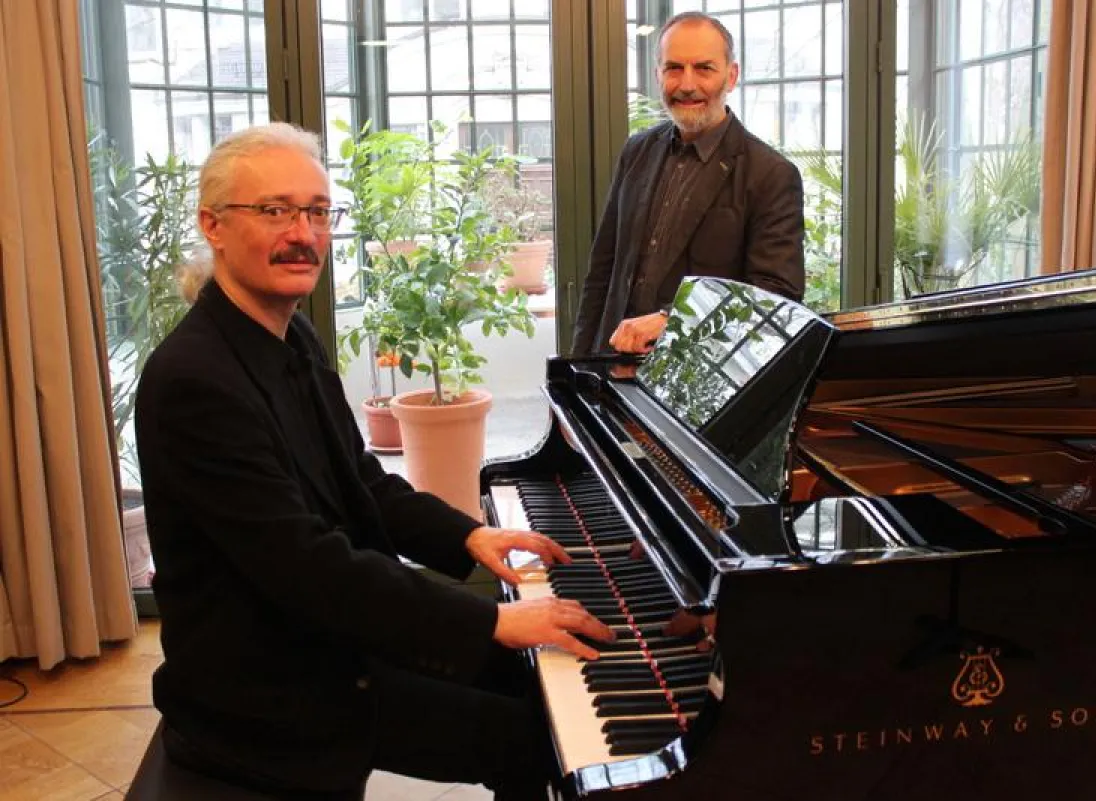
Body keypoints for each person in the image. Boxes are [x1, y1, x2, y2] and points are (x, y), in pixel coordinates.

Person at [134, 122, 613, 801]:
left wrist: (468, 535)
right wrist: (493, 620)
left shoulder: (289, 334)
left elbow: (358, 480)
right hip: (267, 685)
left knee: (543, 681)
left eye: (317, 212)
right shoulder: (194, 381)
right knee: (536, 735)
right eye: (275, 211)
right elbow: (307, 566)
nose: (303, 234)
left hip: (320, 638)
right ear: (213, 225)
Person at [571, 11, 806, 356]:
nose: (687, 84)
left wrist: (672, 321)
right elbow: (601, 275)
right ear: (658, 74)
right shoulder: (637, 151)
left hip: (700, 374)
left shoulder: (771, 174)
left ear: (731, 76)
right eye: (674, 68)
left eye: (704, 68)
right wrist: (576, 369)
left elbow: (774, 298)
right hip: (611, 365)